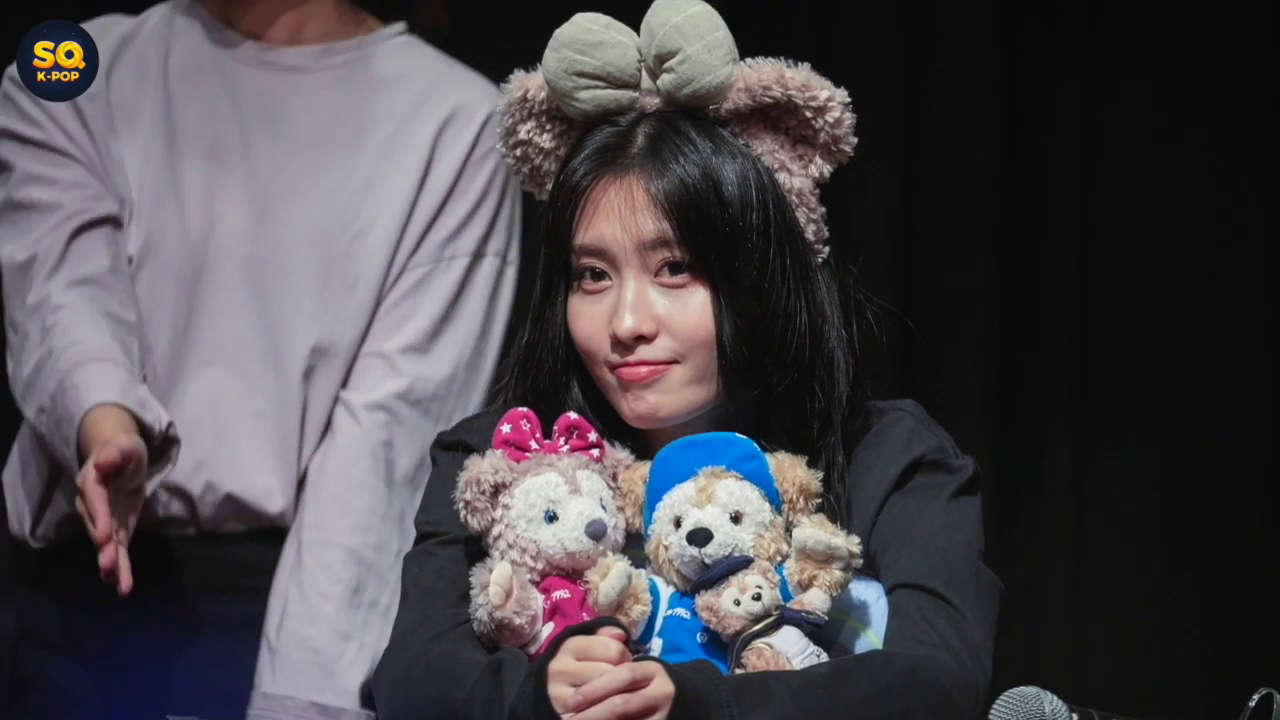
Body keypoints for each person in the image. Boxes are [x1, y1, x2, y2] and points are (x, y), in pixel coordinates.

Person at [370, 1, 1002, 719]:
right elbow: (410, 681)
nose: (626, 324)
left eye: (675, 268)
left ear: (762, 278)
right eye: (592, 276)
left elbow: (938, 680)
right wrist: (537, 693)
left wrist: (698, 703)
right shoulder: (497, 462)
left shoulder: (890, 459)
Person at [0, 0, 521, 716]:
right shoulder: (76, 72)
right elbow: (59, 290)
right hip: (81, 598)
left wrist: (300, 703)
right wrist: (104, 420)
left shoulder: (455, 122)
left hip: (281, 620)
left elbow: (385, 451)